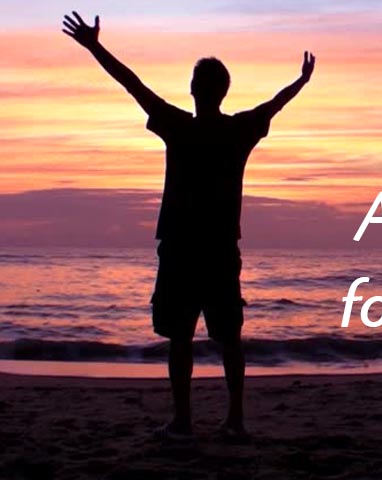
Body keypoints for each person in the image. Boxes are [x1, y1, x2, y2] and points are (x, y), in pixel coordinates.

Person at [62, 11, 316, 441]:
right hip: (217, 250)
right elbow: (275, 103)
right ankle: (233, 418)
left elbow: (133, 85)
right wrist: (301, 82)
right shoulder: (238, 130)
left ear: (194, 90)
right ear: (222, 91)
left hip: (182, 249)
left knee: (181, 337)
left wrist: (94, 47)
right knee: (228, 337)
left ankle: (184, 421)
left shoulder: (180, 125)